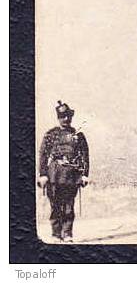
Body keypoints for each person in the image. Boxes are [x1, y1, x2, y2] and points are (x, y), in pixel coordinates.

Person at [38, 101, 90, 242]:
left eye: (67, 116)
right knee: (55, 206)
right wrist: (43, 174)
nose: (65, 119)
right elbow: (43, 155)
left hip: (71, 176)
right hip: (54, 175)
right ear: (58, 117)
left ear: (71, 117)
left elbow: (85, 155)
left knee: (68, 206)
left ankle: (67, 233)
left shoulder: (78, 135)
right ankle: (56, 234)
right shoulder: (50, 135)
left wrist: (85, 174)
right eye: (62, 116)